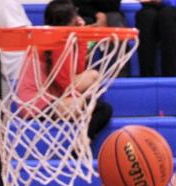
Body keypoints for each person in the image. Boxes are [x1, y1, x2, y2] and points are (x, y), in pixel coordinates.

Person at [16, 0, 112, 139]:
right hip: (37, 105)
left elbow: (73, 76)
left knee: (94, 82)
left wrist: (80, 38)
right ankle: (81, 141)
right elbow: (66, 85)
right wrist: (81, 38)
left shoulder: (53, 37)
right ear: (71, 20)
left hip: (46, 99)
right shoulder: (58, 43)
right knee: (100, 106)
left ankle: (82, 138)